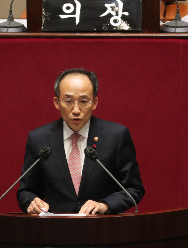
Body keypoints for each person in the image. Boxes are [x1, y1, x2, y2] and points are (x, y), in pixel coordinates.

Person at [16, 68, 144, 215]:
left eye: (84, 101)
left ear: (94, 103)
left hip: (103, 231)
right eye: (68, 101)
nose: (76, 109)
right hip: (54, 231)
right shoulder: (39, 138)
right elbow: (26, 191)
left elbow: (134, 188)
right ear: (57, 102)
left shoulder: (116, 136)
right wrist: (32, 202)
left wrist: (105, 205)